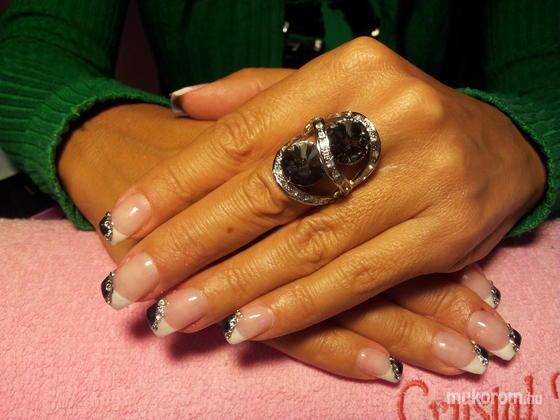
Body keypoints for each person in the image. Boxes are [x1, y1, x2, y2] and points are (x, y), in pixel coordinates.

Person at [0, 0, 556, 382]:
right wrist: (98, 134)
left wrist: (517, 139)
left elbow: (545, 71)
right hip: (188, 171)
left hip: (427, 192)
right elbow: (32, 47)